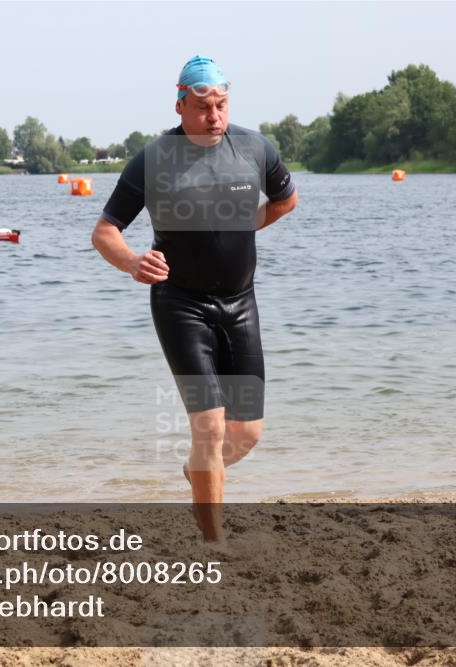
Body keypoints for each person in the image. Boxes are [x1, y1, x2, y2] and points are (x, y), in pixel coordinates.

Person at [91, 56, 298, 541]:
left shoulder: (254, 147)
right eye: (204, 107)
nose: (214, 116)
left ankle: (199, 473)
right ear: (180, 105)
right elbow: (105, 231)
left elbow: (286, 199)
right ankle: (213, 542)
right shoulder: (154, 159)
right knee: (209, 428)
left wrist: (248, 223)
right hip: (181, 306)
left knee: (246, 433)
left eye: (221, 105)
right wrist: (132, 262)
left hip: (241, 305)